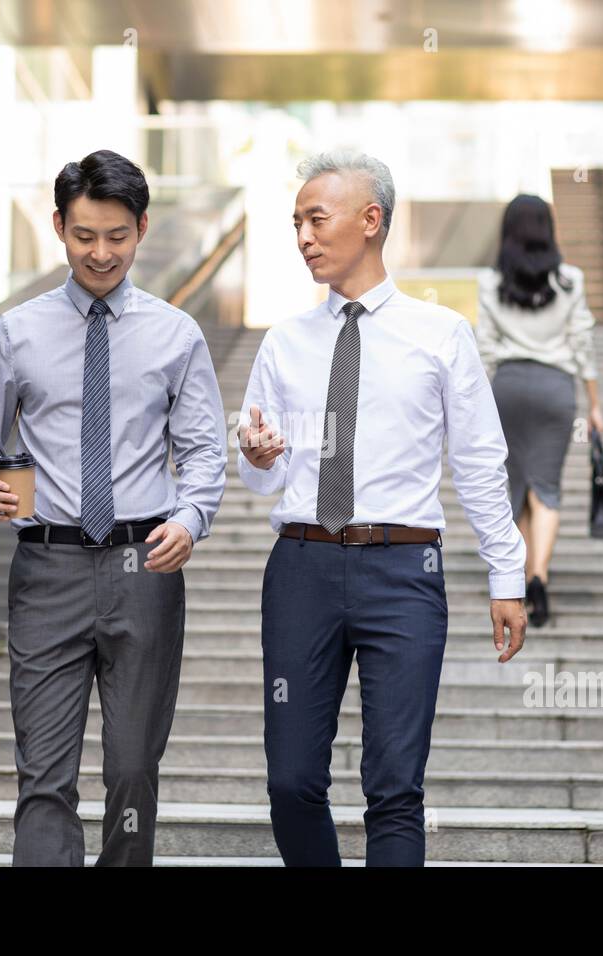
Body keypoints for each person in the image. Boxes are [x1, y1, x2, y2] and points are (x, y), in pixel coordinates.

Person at [236, 150, 527, 867]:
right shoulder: (283, 343)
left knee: (396, 789)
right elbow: (260, 479)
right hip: (300, 567)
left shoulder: (441, 336)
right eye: (296, 222)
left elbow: (481, 462)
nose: (302, 236)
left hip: (404, 572)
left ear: (371, 221)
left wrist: (507, 576)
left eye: (315, 219)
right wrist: (258, 455)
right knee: (291, 780)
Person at [0, 149, 227, 866]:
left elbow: (203, 452)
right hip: (48, 569)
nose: (100, 253)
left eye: (115, 236)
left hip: (146, 568)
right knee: (44, 779)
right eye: (83, 236)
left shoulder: (177, 335)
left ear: (140, 230)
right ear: (58, 227)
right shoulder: (18, 331)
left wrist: (190, 519)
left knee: (134, 772)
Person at [474, 193, 603, 629]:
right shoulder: (571, 280)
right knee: (545, 487)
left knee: (516, 487)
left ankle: (526, 575)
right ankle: (539, 577)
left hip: (507, 389)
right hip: (556, 390)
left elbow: (485, 349)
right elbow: (582, 342)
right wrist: (595, 404)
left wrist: (475, 405)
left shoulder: (490, 283)